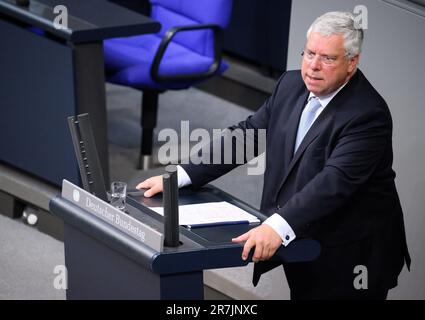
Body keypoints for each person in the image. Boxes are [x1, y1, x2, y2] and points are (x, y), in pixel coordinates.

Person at [136, 11, 410, 300]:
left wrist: (276, 226)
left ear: (351, 63)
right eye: (310, 53)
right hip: (306, 235)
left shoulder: (367, 115)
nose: (313, 67)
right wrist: (181, 176)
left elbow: (333, 183)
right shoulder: (290, 85)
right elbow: (248, 136)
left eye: (328, 58)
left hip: (352, 255)